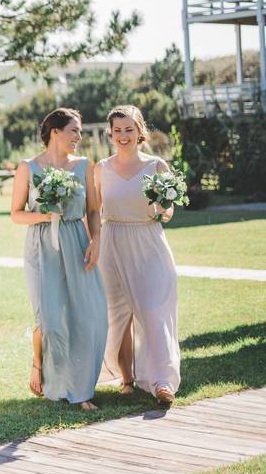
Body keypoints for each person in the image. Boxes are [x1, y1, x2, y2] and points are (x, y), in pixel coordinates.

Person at [10, 108, 108, 410]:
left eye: (78, 132)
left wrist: (96, 241)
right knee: (51, 320)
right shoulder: (28, 167)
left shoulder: (83, 166)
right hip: (42, 246)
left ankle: (82, 388)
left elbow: (93, 210)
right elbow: (16, 214)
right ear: (55, 132)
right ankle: (49, 375)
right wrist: (45, 214)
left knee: (90, 318)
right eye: (74, 131)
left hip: (77, 242)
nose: (79, 137)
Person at [96, 105, 180, 403]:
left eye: (129, 129)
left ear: (140, 131)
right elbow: (94, 212)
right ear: (111, 133)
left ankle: (162, 382)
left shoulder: (156, 165)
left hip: (148, 242)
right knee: (118, 314)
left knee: (154, 310)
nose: (122, 136)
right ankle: (127, 379)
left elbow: (168, 207)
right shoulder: (101, 168)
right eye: (117, 130)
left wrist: (164, 212)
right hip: (112, 241)